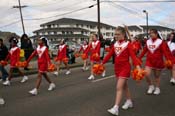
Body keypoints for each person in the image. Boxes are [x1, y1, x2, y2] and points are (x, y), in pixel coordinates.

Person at [102, 26, 141, 116]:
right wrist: (102, 63)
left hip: (125, 68)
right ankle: (129, 101)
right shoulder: (115, 44)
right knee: (124, 86)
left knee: (119, 87)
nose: (116, 36)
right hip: (117, 68)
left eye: (118, 34)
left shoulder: (128, 44)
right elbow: (109, 54)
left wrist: (138, 66)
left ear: (123, 34)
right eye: (115, 34)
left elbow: (133, 57)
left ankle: (116, 108)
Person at [139, 29, 175, 95]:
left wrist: (168, 60)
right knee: (146, 74)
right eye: (150, 33)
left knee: (157, 76)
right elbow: (144, 51)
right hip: (149, 61)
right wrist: (139, 58)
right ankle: (151, 86)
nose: (151, 34)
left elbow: (165, 52)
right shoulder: (148, 41)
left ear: (156, 34)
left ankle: (157, 88)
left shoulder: (161, 42)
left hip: (158, 62)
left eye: (152, 33)